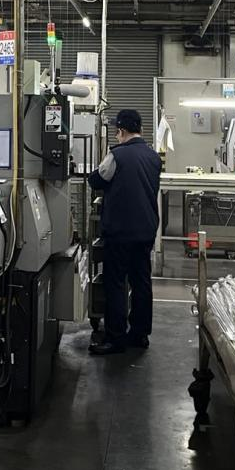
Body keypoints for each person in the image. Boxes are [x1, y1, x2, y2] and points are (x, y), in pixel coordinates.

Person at [87, 108, 162, 355]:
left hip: (120, 231)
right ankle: (140, 334)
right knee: (141, 282)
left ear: (120, 131)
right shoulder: (153, 157)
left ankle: (115, 338)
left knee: (116, 282)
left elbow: (97, 179)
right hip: (146, 230)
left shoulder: (117, 155)